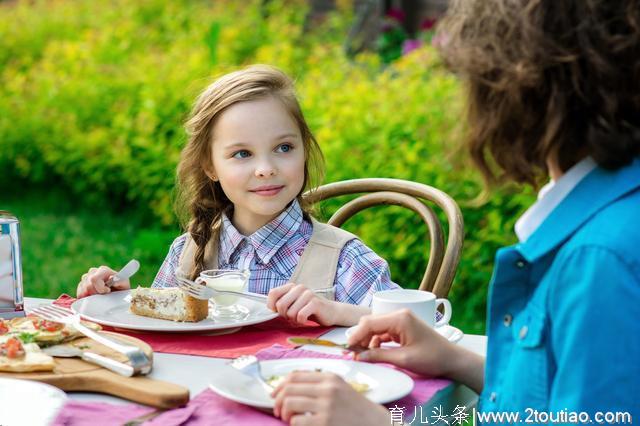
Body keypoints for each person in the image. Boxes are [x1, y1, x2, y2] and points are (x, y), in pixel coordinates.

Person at [272, 0, 640, 423]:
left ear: (520, 91)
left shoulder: (599, 261)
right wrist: (456, 360)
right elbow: (561, 401)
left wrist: (380, 422)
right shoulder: (611, 224)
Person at [76, 65, 400, 327]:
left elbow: (427, 329)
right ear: (210, 166)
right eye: (242, 154)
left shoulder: (342, 259)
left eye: (284, 148)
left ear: (304, 150)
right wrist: (118, 301)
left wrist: (338, 313)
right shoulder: (188, 253)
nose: (265, 168)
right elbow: (164, 340)